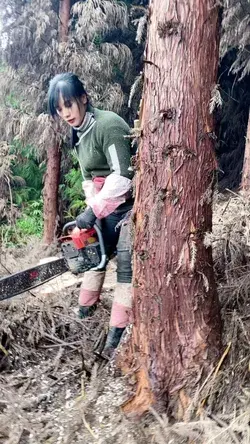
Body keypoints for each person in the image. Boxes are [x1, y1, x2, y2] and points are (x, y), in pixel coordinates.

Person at [48, 73, 134, 357]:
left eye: (69, 104)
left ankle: (115, 341)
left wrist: (93, 210)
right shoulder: (79, 135)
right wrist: (91, 211)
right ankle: (83, 321)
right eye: (60, 109)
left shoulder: (107, 125)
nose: (66, 113)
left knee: (125, 267)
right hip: (105, 206)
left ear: (83, 98)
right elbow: (88, 180)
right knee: (92, 259)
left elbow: (123, 176)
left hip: (132, 206)